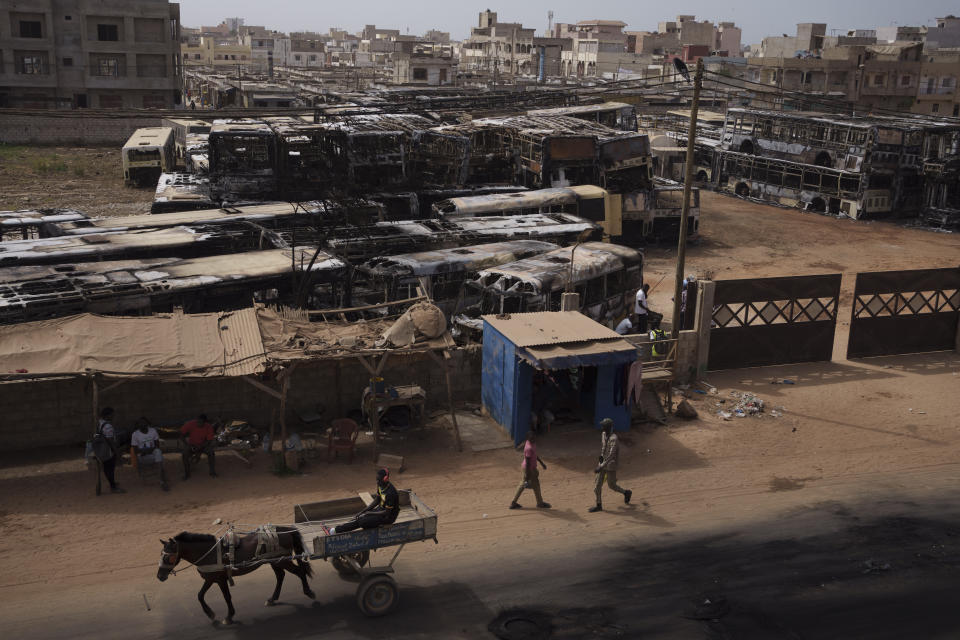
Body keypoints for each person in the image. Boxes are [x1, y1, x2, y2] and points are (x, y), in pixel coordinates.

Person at [330, 468, 399, 534]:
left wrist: (370, 513)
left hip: (389, 517)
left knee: (362, 522)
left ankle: (336, 530)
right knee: (360, 518)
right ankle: (337, 529)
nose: (377, 482)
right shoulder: (381, 485)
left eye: (379, 480)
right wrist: (363, 511)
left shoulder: (390, 493)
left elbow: (387, 512)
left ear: (385, 479)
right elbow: (377, 500)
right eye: (377, 480)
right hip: (381, 510)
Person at [589, 418, 631, 512]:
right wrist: (601, 456)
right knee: (597, 486)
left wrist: (601, 466)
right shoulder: (603, 434)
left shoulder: (614, 439)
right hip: (603, 463)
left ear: (609, 427)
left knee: (611, 485)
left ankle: (626, 493)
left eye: (604, 426)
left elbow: (611, 455)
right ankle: (599, 505)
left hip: (611, 464)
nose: (602, 427)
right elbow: (603, 447)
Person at [509, 431, 551, 509]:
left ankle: (514, 502)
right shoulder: (529, 448)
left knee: (529, 485)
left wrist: (541, 463)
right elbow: (528, 462)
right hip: (529, 469)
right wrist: (527, 475)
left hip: (530, 468)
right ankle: (539, 503)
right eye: (532, 438)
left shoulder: (530, 443)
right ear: (528, 438)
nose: (534, 439)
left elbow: (534, 455)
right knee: (527, 485)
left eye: (534, 437)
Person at [131, 418, 169, 491]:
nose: (142, 425)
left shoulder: (153, 431)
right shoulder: (135, 434)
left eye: (144, 423)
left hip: (152, 453)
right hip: (143, 457)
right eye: (140, 423)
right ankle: (162, 479)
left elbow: (157, 446)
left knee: (158, 452)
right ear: (138, 425)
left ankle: (162, 481)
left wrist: (148, 450)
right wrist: (146, 451)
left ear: (147, 423)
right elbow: (135, 451)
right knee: (160, 459)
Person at [95, 407, 125, 494]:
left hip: (103, 448)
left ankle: (112, 483)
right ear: (107, 415)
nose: (113, 416)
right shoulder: (107, 426)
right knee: (110, 468)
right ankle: (113, 487)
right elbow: (110, 441)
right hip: (108, 450)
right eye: (112, 415)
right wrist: (116, 451)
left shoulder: (100, 423)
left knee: (107, 467)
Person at [180, 413, 217, 479]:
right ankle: (187, 474)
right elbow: (181, 434)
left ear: (205, 423)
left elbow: (209, 440)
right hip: (192, 444)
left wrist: (201, 446)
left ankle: (212, 472)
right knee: (184, 454)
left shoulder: (209, 427)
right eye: (198, 421)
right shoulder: (190, 424)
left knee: (211, 453)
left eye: (201, 422)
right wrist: (187, 444)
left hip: (203, 445)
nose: (198, 423)